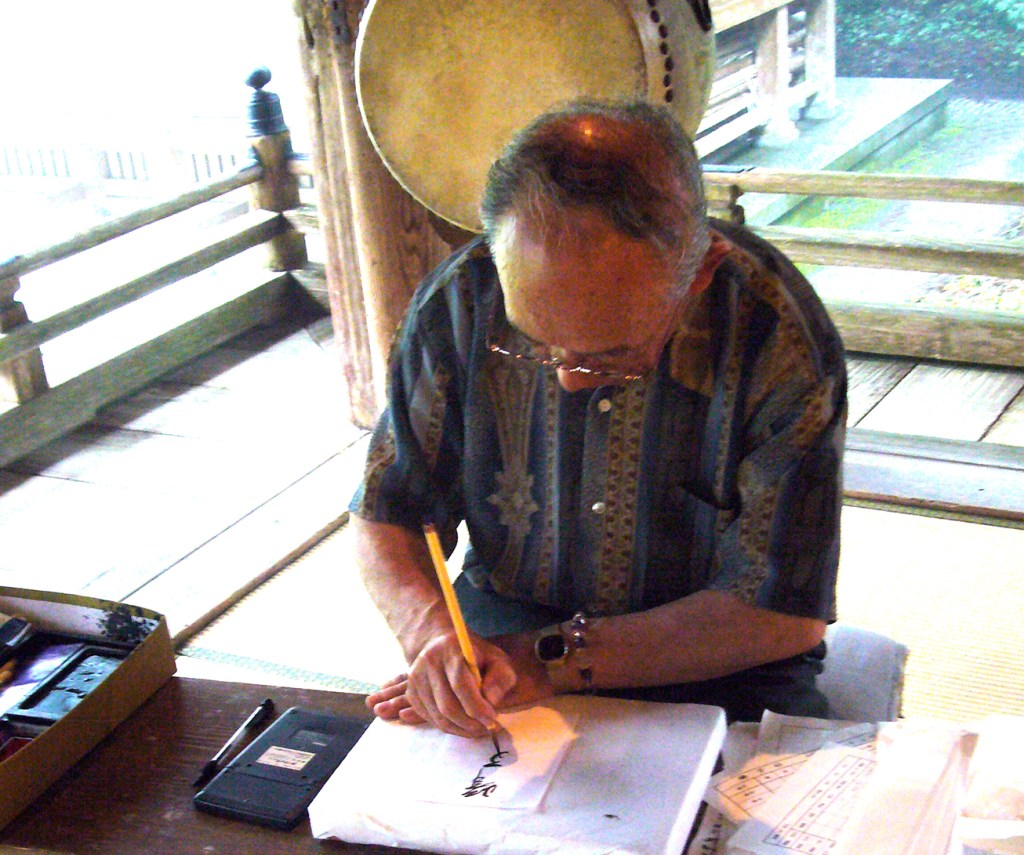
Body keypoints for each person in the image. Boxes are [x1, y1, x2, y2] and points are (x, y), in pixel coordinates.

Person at [349, 99, 847, 737]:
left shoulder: (773, 335)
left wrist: (551, 661)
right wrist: (432, 634)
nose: (566, 377)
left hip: (721, 657)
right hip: (504, 632)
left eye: (610, 355)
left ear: (700, 274)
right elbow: (388, 512)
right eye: (534, 344)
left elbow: (783, 611)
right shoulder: (462, 300)